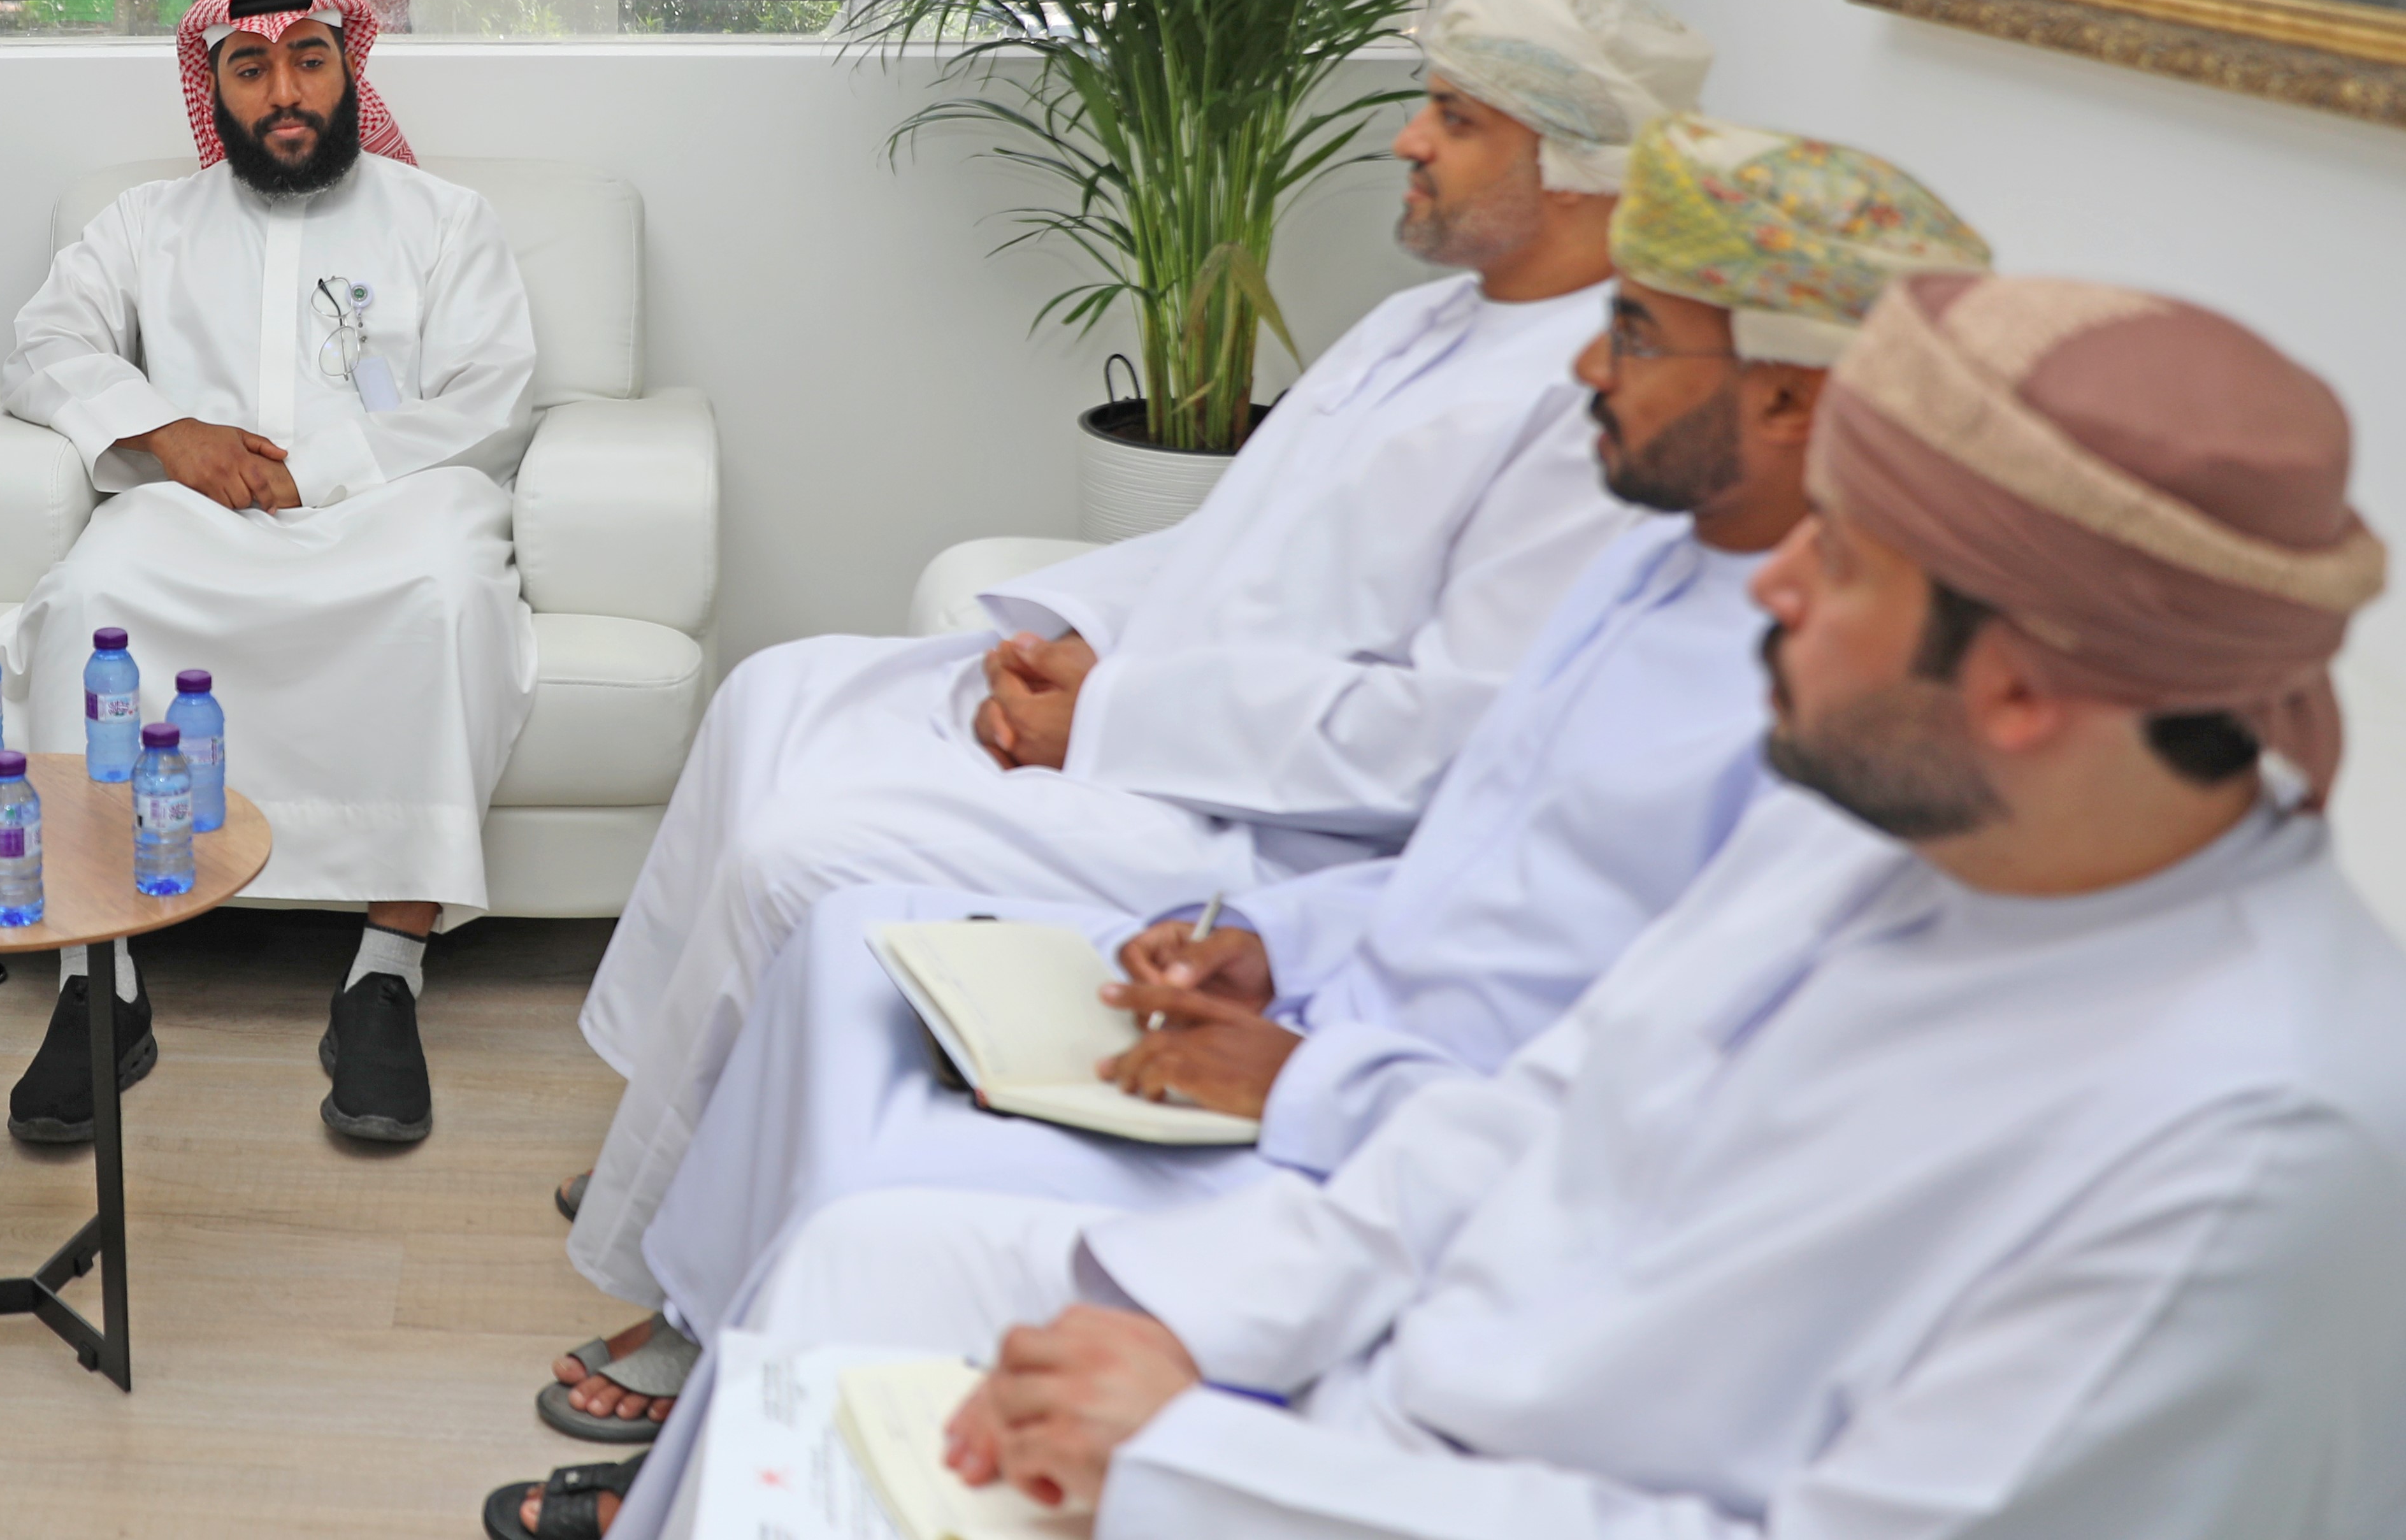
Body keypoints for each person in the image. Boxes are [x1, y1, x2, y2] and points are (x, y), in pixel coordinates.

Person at [602, 273, 2406, 1540]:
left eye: (1842, 557)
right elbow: (1532, 1119)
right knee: (860, 1264)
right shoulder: (1892, 824)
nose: (1771, 585)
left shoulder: (2251, 1139)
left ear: (2019, 682)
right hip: (1377, 1399)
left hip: (1456, 1490)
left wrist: (1194, 1468)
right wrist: (1193, 1327)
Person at [509, 119, 1991, 1469]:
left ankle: (714, 1373)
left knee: (832, 1020)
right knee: (818, 845)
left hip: (1366, 1080)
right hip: (1323, 991)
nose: (1590, 368)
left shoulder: (1835, 715)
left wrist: (1286, 1035)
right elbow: (1468, 822)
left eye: (1638, 332)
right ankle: (708, 1326)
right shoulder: (1656, 549)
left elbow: (1600, 1053)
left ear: (1791, 396)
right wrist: (1278, 940)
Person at [561, 0, 1713, 1334]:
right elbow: (1238, 532)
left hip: (1267, 819)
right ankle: (674, 1133)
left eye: (1456, 120)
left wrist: (1101, 722)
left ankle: (680, 1292)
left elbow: (1446, 737)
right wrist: (1062, 636)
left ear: (1576, 168)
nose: (1410, 138)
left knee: (796, 857)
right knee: (777, 689)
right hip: (1161, 700)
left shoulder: (1599, 403)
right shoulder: (1433, 319)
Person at [0, 0, 537, 1145]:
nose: (283, 91)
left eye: (308, 61)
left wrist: (323, 471)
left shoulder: (444, 219)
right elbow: (44, 347)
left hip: (393, 504)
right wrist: (163, 431)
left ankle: (387, 971)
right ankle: (98, 977)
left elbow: (490, 396)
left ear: (348, 72)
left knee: (446, 593)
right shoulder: (145, 223)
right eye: (251, 68)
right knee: (91, 593)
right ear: (215, 89)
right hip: (198, 511)